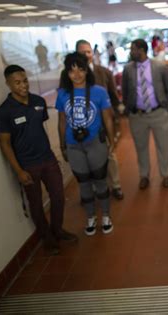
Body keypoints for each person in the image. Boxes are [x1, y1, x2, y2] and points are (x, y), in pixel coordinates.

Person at [0, 65, 77, 255]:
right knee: (36, 203)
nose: (23, 85)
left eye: (24, 80)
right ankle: (46, 238)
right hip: (27, 165)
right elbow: (5, 144)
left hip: (48, 159)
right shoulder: (4, 112)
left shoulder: (38, 102)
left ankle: (57, 230)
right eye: (17, 82)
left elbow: (38, 128)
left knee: (58, 197)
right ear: (7, 83)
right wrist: (19, 171)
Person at [56, 52, 116, 236]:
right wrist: (62, 145)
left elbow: (107, 119)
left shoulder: (98, 91)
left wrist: (111, 141)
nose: (77, 74)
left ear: (86, 71)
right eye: (72, 70)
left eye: (80, 69)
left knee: (100, 179)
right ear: (67, 73)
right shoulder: (63, 94)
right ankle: (91, 216)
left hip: (95, 143)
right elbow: (62, 121)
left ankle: (106, 215)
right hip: (73, 145)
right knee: (83, 183)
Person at [74, 39, 125, 200]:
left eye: (88, 51)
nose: (86, 55)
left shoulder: (103, 72)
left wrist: (116, 119)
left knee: (109, 156)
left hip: (103, 123)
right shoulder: (70, 76)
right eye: (82, 52)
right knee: (88, 160)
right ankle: (95, 190)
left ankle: (115, 185)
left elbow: (113, 97)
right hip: (82, 125)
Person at [122, 39, 168, 190]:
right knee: (141, 147)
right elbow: (125, 91)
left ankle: (166, 175)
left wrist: (167, 106)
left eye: (133, 49)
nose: (131, 52)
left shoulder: (159, 66)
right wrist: (128, 107)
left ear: (142, 50)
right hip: (137, 116)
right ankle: (144, 175)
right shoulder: (128, 69)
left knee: (163, 146)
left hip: (158, 113)